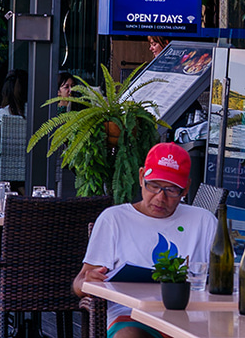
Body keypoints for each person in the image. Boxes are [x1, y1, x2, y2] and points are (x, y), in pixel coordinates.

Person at [74, 143, 218, 338]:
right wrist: (89, 281)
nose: (160, 198)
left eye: (171, 189)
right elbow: (79, 283)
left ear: (185, 190)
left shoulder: (204, 221)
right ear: (141, 177)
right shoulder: (114, 219)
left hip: (191, 320)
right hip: (132, 317)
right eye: (154, 186)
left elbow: (228, 279)